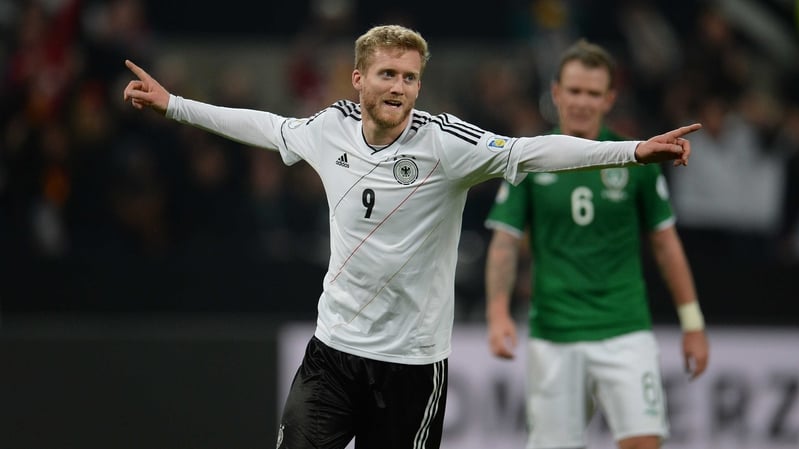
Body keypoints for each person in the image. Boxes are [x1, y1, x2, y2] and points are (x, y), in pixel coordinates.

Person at [123, 25, 700, 449]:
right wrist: (173, 105)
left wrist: (632, 148)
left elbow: (530, 150)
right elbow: (262, 125)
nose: (400, 87)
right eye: (388, 74)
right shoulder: (330, 129)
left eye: (410, 77)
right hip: (332, 353)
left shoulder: (446, 145)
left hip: (411, 365)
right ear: (359, 79)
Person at [483, 39, 710, 449]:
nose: (582, 102)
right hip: (555, 332)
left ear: (609, 99)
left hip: (624, 327)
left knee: (644, 442)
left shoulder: (638, 159)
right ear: (556, 93)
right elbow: (504, 242)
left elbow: (666, 244)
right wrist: (498, 313)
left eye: (592, 93)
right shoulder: (529, 159)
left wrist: (692, 324)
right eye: (574, 91)